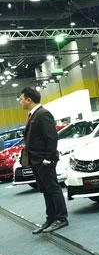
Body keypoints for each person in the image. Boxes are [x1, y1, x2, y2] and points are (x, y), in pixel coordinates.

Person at [19, 87, 68, 234]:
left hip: (44, 160)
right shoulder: (33, 115)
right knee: (45, 190)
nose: (20, 102)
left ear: (29, 100)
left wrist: (48, 158)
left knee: (53, 189)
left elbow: (52, 138)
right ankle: (51, 218)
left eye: (21, 99)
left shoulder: (43, 114)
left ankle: (61, 218)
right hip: (36, 160)